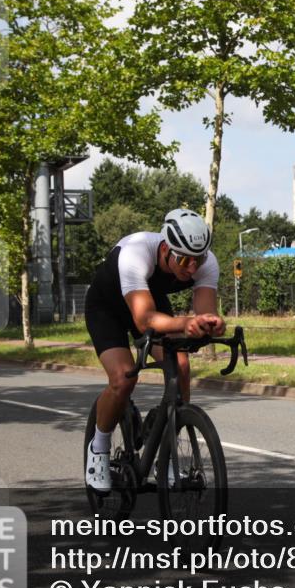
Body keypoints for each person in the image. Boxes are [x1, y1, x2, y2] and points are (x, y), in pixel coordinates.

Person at [83, 209, 226, 492]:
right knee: (124, 377)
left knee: (181, 366)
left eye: (198, 260)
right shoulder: (135, 253)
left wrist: (211, 324)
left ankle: (166, 454)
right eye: (184, 260)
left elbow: (205, 313)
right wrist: (185, 323)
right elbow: (144, 319)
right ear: (164, 249)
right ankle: (98, 447)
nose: (192, 268)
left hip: (148, 299)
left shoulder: (205, 262)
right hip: (108, 307)